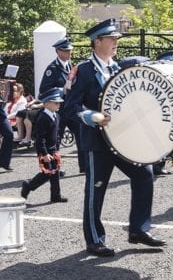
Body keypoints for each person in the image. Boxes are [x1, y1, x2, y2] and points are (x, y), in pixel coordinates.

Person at [65, 18, 165, 257]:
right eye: (111, 39)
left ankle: (138, 229)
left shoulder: (116, 67)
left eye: (116, 39)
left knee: (144, 174)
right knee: (95, 190)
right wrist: (92, 116)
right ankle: (95, 239)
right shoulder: (84, 70)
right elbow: (70, 107)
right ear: (96, 41)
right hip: (97, 142)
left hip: (121, 140)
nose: (115, 43)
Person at [42, 37, 85, 174]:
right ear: (58, 51)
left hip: (71, 108)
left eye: (70, 50)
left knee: (81, 134)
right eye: (66, 51)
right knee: (55, 140)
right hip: (58, 109)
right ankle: (54, 168)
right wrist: (61, 90)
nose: (69, 53)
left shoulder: (71, 66)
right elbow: (44, 90)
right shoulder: (52, 69)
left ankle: (84, 167)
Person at [20, 87, 67, 203]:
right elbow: (39, 139)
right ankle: (28, 185)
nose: (59, 104)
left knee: (55, 172)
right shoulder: (43, 118)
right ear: (46, 104)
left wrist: (57, 149)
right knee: (47, 173)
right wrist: (44, 153)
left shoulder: (56, 116)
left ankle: (55, 195)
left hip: (53, 149)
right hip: (45, 150)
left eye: (59, 102)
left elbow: (56, 134)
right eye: (56, 102)